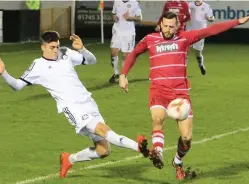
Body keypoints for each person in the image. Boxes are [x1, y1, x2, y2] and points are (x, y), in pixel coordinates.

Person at [119, 11, 249, 180]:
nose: (168, 29)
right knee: (157, 120)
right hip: (158, 91)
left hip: (180, 95)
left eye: (172, 26)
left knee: (186, 138)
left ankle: (177, 161)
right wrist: (123, 74)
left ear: (177, 26)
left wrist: (237, 22)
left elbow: (211, 30)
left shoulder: (185, 38)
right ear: (160, 24)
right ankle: (158, 153)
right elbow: (134, 54)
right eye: (165, 26)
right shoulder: (150, 39)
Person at [0, 31, 149, 178]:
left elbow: (92, 61)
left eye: (57, 46)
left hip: (88, 102)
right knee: (104, 130)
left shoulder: (65, 53)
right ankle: (139, 148)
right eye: (52, 47)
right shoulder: (37, 66)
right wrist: (4, 72)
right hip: (72, 108)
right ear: (43, 47)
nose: (56, 50)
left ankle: (69, 159)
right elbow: (17, 85)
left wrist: (82, 49)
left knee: (103, 150)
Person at [109, 0, 142, 83]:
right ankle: (116, 73)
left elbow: (140, 18)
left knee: (125, 55)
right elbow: (113, 13)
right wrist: (114, 17)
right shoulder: (116, 1)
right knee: (113, 51)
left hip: (128, 33)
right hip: (117, 30)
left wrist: (130, 18)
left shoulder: (134, 3)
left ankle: (123, 75)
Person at [186, 0, 215, 75]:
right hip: (189, 31)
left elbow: (211, 18)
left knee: (197, 52)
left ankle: (201, 65)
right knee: (185, 51)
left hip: (200, 32)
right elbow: (185, 15)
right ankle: (182, 70)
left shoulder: (206, 6)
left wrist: (211, 19)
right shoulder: (189, 5)